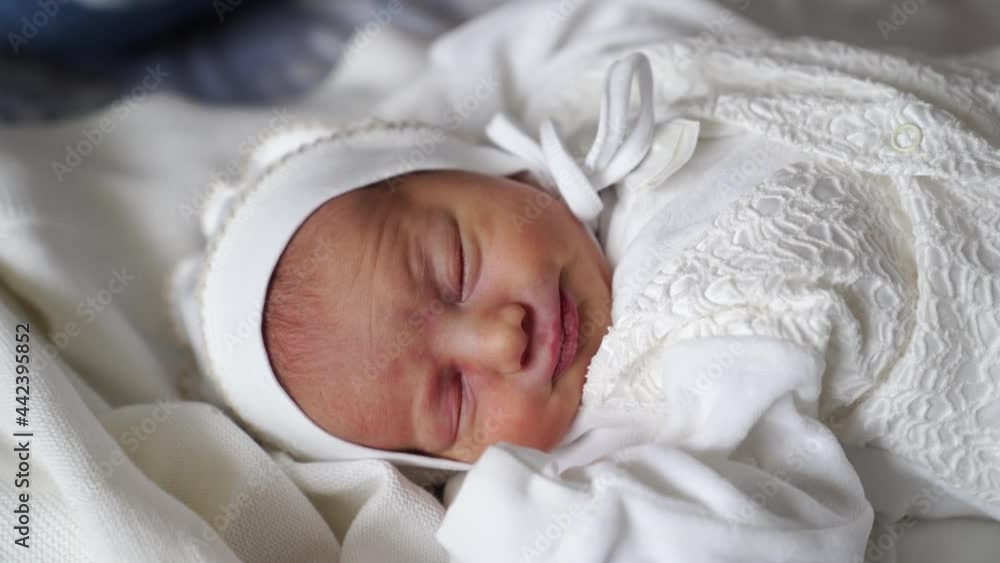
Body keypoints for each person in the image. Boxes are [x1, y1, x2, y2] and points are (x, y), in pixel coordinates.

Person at [170, 0, 1000, 560]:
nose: (501, 338)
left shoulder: (590, 92)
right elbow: (772, 535)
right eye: (454, 399)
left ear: (479, 165)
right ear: (454, 464)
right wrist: (519, 525)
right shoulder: (641, 422)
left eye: (456, 268)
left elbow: (542, 32)